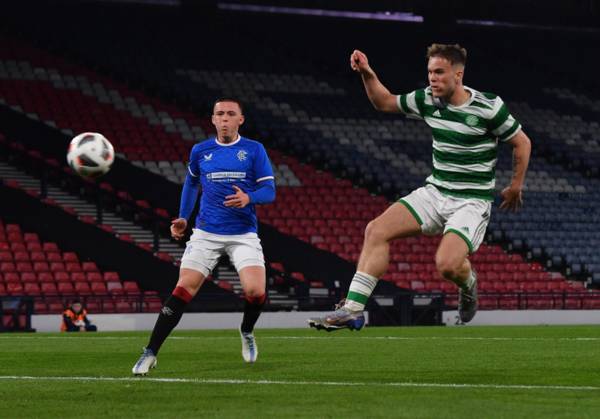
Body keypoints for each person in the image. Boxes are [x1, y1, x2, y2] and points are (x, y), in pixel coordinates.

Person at [309, 44, 531, 330]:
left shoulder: (488, 107)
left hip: (471, 200)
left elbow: (521, 142)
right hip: (435, 191)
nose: (432, 79)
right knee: (376, 230)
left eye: (439, 72)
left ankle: (468, 284)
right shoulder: (427, 99)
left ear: (458, 74)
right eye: (430, 72)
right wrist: (366, 73)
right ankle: (352, 309)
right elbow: (384, 102)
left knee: (447, 265)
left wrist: (515, 186)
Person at [132, 98, 276, 375]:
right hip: (206, 233)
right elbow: (192, 183)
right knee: (182, 289)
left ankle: (246, 330)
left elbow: (269, 192)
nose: (224, 119)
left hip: (243, 233)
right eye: (220, 114)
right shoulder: (201, 151)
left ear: (240, 120)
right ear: (212, 119)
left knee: (256, 292)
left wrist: (250, 197)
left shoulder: (254, 150)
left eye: (230, 114)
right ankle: (150, 352)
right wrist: (183, 217)